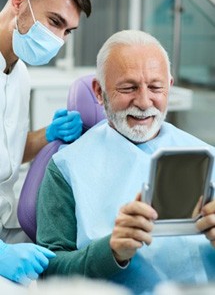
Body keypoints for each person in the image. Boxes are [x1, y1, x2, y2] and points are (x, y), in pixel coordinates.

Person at [36, 30, 215, 294]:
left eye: (155, 87)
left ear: (170, 85)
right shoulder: (66, 168)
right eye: (128, 88)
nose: (144, 102)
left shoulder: (206, 156)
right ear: (99, 91)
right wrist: (111, 251)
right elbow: (49, 272)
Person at [0, 0, 91, 286]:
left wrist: (48, 135)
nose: (59, 40)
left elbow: (8, 153)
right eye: (54, 22)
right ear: (18, 0)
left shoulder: (18, 73)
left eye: (68, 31)